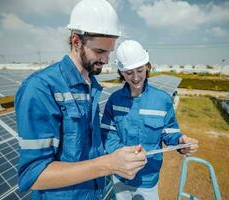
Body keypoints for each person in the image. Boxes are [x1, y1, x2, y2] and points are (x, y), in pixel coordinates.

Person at [15, 1, 147, 199]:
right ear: (76, 41)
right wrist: (109, 164)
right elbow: (33, 175)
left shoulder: (91, 85)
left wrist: (120, 155)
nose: (106, 60)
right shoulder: (41, 88)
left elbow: (87, 147)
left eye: (109, 52)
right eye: (100, 52)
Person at [101, 40, 199, 200]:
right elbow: (108, 134)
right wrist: (122, 154)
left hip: (148, 179)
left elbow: (170, 133)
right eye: (128, 73)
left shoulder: (162, 100)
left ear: (147, 66)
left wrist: (181, 141)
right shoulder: (114, 100)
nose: (135, 77)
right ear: (121, 73)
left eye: (139, 70)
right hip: (120, 175)